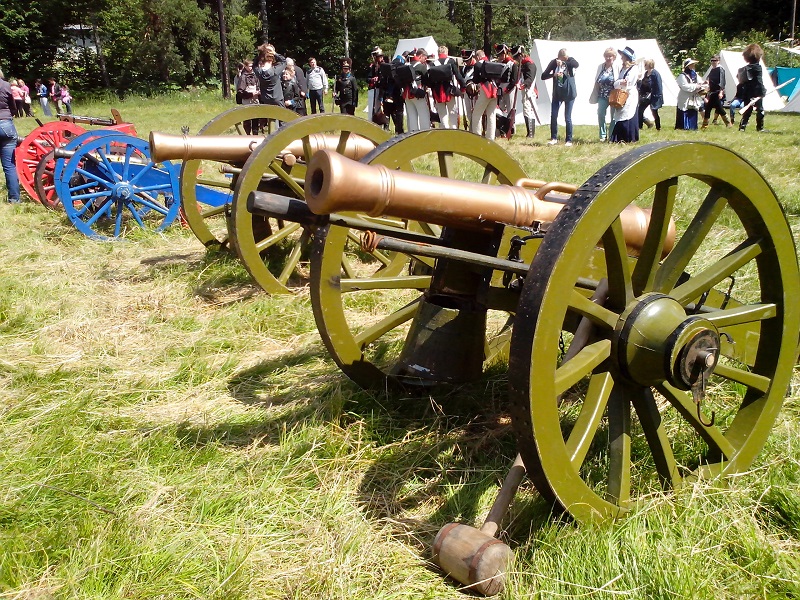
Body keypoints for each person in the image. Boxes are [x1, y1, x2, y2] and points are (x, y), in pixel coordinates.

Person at [541, 48, 579, 146]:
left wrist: (564, 63)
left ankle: (569, 140)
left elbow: (576, 64)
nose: (565, 59)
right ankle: (554, 138)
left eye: (566, 58)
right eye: (563, 58)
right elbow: (543, 76)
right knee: (554, 115)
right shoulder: (553, 63)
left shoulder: (570, 60)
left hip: (569, 93)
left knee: (567, 117)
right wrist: (553, 75)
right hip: (557, 93)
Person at [428, 45, 466, 129]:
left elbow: (430, 80)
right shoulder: (451, 61)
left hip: (438, 91)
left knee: (442, 114)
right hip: (449, 90)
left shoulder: (433, 64)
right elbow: (458, 75)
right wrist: (463, 87)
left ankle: (444, 129)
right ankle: (454, 129)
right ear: (446, 52)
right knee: (452, 112)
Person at [609, 46, 640, 143]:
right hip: (621, 94)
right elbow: (617, 82)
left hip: (630, 95)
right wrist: (620, 82)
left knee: (628, 114)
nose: (621, 57)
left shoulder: (634, 68)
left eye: (623, 55)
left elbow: (629, 82)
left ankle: (629, 137)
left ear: (627, 57)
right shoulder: (623, 69)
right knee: (620, 114)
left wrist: (621, 82)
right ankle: (619, 137)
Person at [588, 48, 619, 141]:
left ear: (614, 57)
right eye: (606, 56)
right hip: (602, 95)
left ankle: (612, 135)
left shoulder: (617, 67)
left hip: (613, 95)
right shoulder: (601, 67)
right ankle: (602, 135)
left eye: (610, 56)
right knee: (600, 113)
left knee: (613, 116)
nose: (608, 58)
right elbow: (597, 79)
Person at [0, 69, 21, 203]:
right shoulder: (6, 85)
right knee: (9, 165)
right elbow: (13, 106)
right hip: (5, 124)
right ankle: (14, 199)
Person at [469, 49, 498, 140]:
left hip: (485, 90)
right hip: (494, 89)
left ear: (478, 57)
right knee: (491, 114)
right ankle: (490, 137)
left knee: (476, 114)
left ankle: (477, 136)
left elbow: (476, 80)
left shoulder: (478, 64)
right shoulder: (491, 63)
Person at [738, 44, 766, 132]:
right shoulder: (757, 67)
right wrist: (762, 91)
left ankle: (742, 127)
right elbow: (759, 81)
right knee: (760, 110)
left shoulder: (746, 68)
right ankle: (760, 128)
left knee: (748, 110)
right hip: (756, 92)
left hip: (747, 92)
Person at [402, 48, 430, 132]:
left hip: (406, 94)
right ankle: (425, 133)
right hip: (417, 93)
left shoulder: (406, 65)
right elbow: (427, 80)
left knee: (412, 116)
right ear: (420, 56)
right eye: (425, 58)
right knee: (424, 114)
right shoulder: (421, 66)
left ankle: (413, 133)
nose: (425, 60)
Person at [675, 58, 707, 130]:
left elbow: (700, 82)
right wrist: (695, 86)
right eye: (691, 65)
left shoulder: (695, 74)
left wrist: (703, 84)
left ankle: (692, 127)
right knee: (684, 110)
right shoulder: (682, 76)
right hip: (685, 96)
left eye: (693, 64)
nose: (693, 66)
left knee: (693, 110)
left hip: (693, 96)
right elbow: (684, 86)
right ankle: (683, 127)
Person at [495, 43, 520, 133]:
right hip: (500, 87)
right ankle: (501, 128)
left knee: (510, 109)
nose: (500, 56)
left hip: (509, 88)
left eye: (501, 54)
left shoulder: (513, 64)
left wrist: (507, 89)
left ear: (505, 53)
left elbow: (514, 80)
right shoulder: (499, 63)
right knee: (500, 108)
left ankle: (511, 128)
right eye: (499, 55)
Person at [702, 55, 730, 128]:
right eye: (712, 60)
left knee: (715, 108)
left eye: (715, 60)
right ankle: (705, 125)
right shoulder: (712, 69)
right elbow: (709, 79)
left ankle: (705, 125)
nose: (713, 62)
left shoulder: (720, 69)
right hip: (712, 91)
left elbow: (722, 81)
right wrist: (706, 82)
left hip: (717, 91)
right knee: (713, 108)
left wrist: (721, 92)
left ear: (718, 61)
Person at [516, 45, 538, 138]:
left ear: (521, 55)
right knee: (527, 110)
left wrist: (522, 85)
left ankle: (530, 134)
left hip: (530, 90)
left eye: (517, 57)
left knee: (528, 110)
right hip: (525, 89)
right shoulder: (524, 64)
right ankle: (530, 133)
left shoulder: (530, 64)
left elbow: (530, 79)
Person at [637, 59, 663, 130]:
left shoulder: (655, 74)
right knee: (640, 110)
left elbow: (659, 85)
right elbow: (644, 84)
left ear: (649, 65)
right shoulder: (646, 73)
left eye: (645, 64)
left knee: (654, 112)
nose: (644, 66)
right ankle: (640, 126)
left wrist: (658, 96)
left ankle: (658, 127)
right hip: (646, 96)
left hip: (654, 96)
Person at [236, 59, 260, 134]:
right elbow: (240, 92)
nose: (251, 68)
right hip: (247, 101)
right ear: (245, 66)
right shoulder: (243, 77)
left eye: (252, 66)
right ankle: (247, 136)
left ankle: (255, 136)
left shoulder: (255, 75)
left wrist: (258, 92)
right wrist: (251, 94)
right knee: (247, 121)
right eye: (249, 66)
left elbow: (258, 86)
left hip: (255, 101)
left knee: (255, 120)